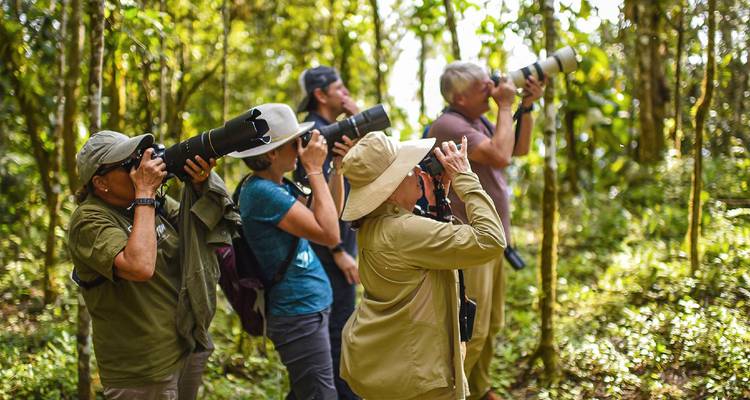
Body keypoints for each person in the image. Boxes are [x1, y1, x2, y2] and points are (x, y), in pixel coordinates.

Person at [338, 132, 506, 400]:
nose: (416, 171)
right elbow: (491, 240)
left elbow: (425, 251)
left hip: (395, 363)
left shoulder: (376, 223)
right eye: (407, 169)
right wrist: (465, 176)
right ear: (390, 190)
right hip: (419, 378)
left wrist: (439, 202)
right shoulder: (404, 230)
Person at [67, 130, 235, 399]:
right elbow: (140, 266)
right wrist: (144, 192)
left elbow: (199, 229)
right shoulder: (88, 220)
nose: (140, 168)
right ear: (100, 183)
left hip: (185, 344)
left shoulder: (151, 203)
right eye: (129, 165)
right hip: (143, 369)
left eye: (139, 158)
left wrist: (199, 184)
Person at [427, 62, 544, 400]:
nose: (492, 88)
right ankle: (454, 393)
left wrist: (526, 106)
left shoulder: (475, 120)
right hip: (468, 242)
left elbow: (517, 149)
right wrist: (506, 104)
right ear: (460, 96)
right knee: (472, 330)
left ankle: (480, 389)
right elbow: (499, 155)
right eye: (483, 86)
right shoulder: (448, 124)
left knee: (492, 323)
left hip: (491, 239)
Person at [229, 103, 354, 399]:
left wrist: (335, 168)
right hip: (297, 313)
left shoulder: (277, 186)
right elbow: (329, 234)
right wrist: (313, 169)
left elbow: (330, 216)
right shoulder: (261, 193)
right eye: (295, 142)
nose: (301, 148)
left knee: (307, 391)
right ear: (272, 153)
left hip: (310, 307)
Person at [294, 65, 361, 399]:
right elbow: (312, 204)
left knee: (339, 335)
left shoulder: (333, 131)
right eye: (340, 88)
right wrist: (339, 251)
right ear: (320, 95)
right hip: (327, 255)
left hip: (341, 248)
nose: (346, 94)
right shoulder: (314, 135)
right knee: (336, 336)